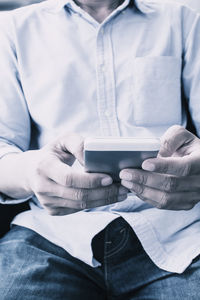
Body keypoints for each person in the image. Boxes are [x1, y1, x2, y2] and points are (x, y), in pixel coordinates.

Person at [0, 0, 200, 299]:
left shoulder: (186, 19)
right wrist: (30, 174)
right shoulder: (12, 29)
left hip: (177, 234)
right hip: (50, 235)